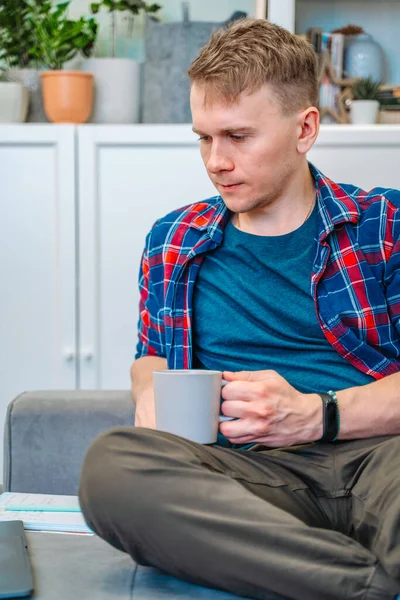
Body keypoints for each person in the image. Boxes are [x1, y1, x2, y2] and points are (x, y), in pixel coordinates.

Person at [79, 18, 400, 600]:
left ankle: (305, 571)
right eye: (204, 137)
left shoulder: (386, 227)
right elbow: (150, 355)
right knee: (112, 467)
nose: (215, 161)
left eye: (238, 136)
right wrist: (150, 393)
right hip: (246, 478)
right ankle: (365, 586)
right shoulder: (174, 238)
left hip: (381, 459)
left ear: (305, 129)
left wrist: (314, 414)